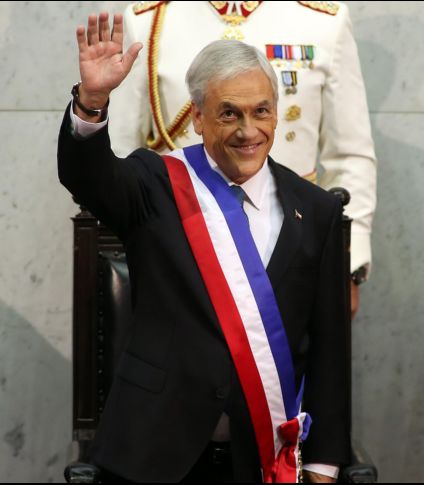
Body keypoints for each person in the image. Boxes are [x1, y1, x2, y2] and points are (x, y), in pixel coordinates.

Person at [59, 12, 348, 482]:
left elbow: (330, 350)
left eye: (261, 111)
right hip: (153, 454)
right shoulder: (155, 184)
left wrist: (322, 464)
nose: (247, 130)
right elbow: (86, 175)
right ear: (197, 116)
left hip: (260, 458)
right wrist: (92, 101)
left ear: (276, 111)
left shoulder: (315, 211)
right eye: (229, 112)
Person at [110, 1, 377, 317]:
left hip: (290, 243)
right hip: (181, 246)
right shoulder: (150, 22)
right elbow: (121, 152)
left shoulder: (322, 22)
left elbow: (349, 155)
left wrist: (347, 265)